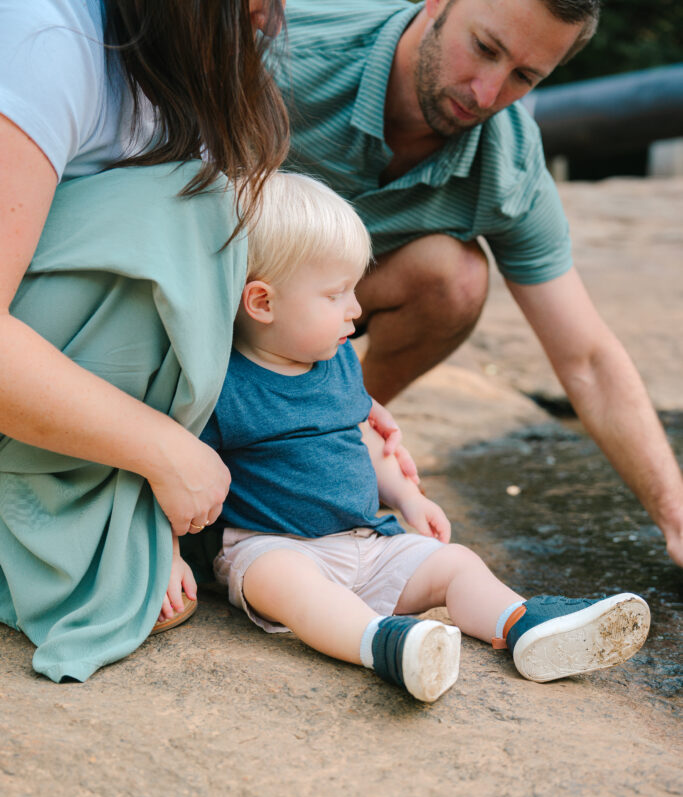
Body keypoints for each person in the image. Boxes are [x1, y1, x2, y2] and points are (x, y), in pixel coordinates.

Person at [165, 172, 650, 703]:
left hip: (368, 543)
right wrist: (167, 556)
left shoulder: (337, 361)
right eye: (335, 294)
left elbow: (364, 442)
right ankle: (385, 645)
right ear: (262, 303)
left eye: (354, 290)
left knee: (456, 564)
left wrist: (406, 496)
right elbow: (174, 477)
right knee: (286, 583)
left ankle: (524, 627)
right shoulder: (222, 387)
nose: (355, 309)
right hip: (275, 545)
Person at [271, 0, 683, 570]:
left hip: (336, 304)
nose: (486, 94)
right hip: (225, 281)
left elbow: (587, 359)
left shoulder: (509, 163)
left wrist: (676, 515)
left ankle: (323, 437)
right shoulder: (284, 52)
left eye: (524, 77)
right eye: (486, 48)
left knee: (454, 277)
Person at [0, 0, 295, 681]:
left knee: (207, 213)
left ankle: (117, 506)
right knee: (181, 213)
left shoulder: (181, 50)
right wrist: (163, 452)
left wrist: (325, 388)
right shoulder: (42, 38)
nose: (273, 17)